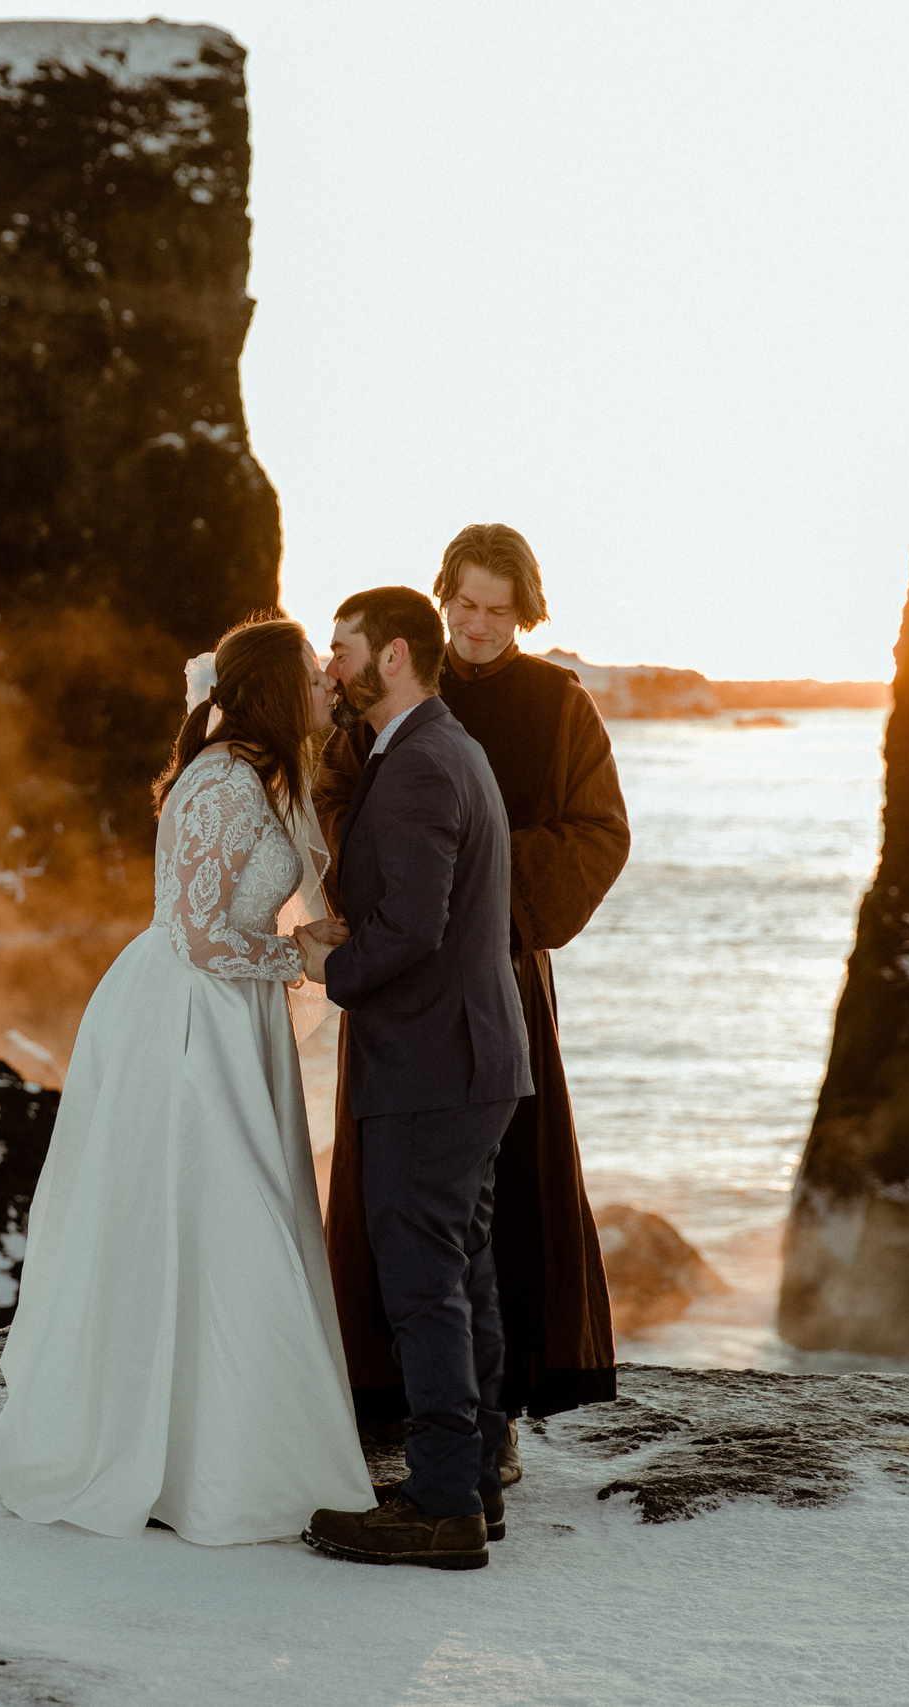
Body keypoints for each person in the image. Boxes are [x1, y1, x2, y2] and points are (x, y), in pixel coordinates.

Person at [0, 616, 373, 1545]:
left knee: (223, 1219)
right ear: (280, 691)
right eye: (316, 678)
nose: (330, 685)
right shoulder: (226, 783)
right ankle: (191, 1459)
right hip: (188, 1017)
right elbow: (199, 934)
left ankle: (217, 1446)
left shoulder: (260, 775)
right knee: (211, 1213)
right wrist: (295, 959)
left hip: (227, 1013)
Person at [313, 526, 631, 1460]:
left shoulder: (556, 703)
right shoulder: (393, 687)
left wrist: (469, 887)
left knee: (496, 1210)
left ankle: (487, 1425)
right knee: (397, 1201)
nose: (480, 626)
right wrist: (393, 887)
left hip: (498, 978)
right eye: (465, 605)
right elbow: (333, 795)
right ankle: (403, 1402)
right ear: (441, 596)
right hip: (398, 976)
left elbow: (599, 835)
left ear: (522, 612)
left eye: (499, 610)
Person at [296, 586, 531, 1572]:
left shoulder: (422, 763)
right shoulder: (440, 749)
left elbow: (416, 927)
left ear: (393, 655)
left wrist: (328, 965)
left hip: (433, 1065)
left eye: (343, 649)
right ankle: (469, 1482)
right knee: (462, 1273)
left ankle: (441, 1508)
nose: (333, 667)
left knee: (425, 1282)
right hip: (470, 1059)